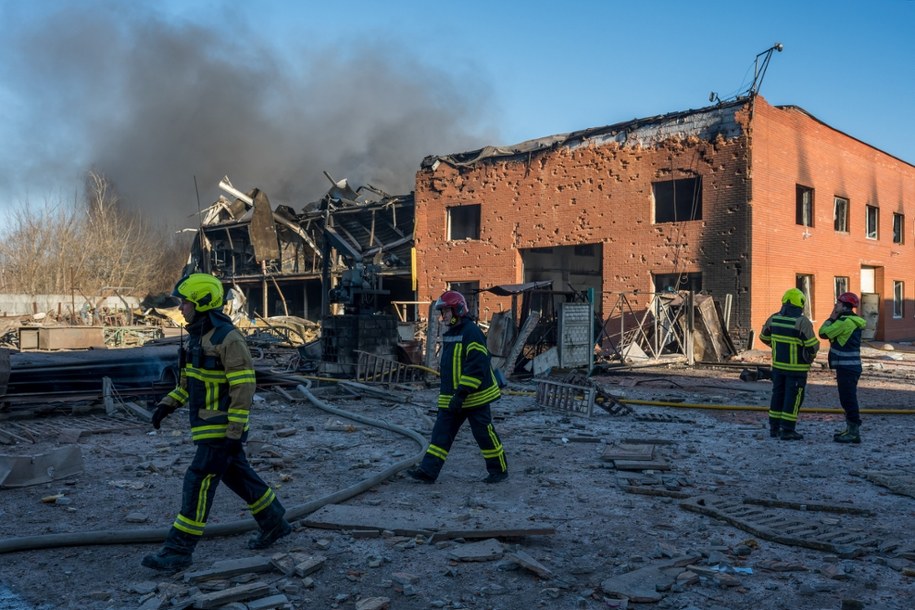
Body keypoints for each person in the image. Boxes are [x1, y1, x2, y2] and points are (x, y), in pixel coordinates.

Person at [142, 273, 291, 571]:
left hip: (222, 429)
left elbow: (244, 387)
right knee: (236, 475)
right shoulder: (197, 337)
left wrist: (235, 430)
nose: (181, 308)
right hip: (206, 425)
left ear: (202, 304)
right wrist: (166, 405)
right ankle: (274, 521)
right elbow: (188, 383)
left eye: (185, 303)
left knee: (198, 481)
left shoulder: (228, 339)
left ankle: (178, 550)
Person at [408, 290, 508, 484]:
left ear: (458, 310)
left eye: (446, 311)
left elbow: (476, 366)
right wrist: (453, 396)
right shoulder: (452, 334)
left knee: (483, 434)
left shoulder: (471, 332)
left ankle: (499, 470)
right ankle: (428, 471)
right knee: (440, 434)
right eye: (442, 312)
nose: (443, 316)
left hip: (474, 397)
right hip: (451, 398)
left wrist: (462, 393)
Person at [759, 288, 820, 440]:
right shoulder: (802, 322)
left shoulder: (774, 318)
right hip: (797, 369)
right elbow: (813, 346)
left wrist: (777, 346)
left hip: (778, 367)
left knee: (777, 396)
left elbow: (763, 337)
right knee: (793, 399)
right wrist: (809, 356)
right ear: (800, 304)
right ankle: (787, 430)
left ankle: (774, 428)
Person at [818, 292, 867, 444]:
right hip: (849, 367)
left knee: (848, 399)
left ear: (845, 306)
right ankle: (850, 429)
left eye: (838, 303)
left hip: (847, 367)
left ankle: (853, 432)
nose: (835, 306)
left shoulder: (845, 322)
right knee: (847, 398)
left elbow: (823, 333)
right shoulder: (849, 320)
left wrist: (832, 317)